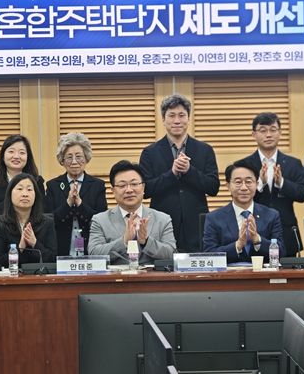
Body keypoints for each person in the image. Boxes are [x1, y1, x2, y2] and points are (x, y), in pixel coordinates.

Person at [139, 94, 220, 252]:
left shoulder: (205, 149)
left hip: (196, 223)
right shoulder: (150, 152)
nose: (177, 120)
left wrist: (189, 171)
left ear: (188, 119)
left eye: (182, 115)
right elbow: (145, 190)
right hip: (162, 222)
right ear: (163, 119)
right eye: (171, 115)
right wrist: (172, 173)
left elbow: (213, 187)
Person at [243, 112, 304, 256]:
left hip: (286, 232)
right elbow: (239, 197)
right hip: (255, 230)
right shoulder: (245, 165)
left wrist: (282, 183)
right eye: (263, 130)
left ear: (280, 133)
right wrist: (260, 184)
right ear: (254, 134)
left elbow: (303, 194)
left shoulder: (293, 163)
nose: (268, 135)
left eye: (273, 130)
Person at [88, 160, 176, 265]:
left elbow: (171, 254)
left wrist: (146, 241)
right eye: (122, 185)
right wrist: (124, 241)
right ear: (113, 191)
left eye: (134, 184)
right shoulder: (100, 220)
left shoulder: (163, 219)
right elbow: (93, 254)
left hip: (152, 275)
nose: (129, 190)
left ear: (143, 187)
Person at [203, 158, 284, 263]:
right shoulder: (214, 218)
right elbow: (209, 255)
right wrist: (238, 245)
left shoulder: (271, 215)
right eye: (238, 182)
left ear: (256, 184)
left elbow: (281, 252)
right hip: (229, 272)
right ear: (228, 186)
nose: (244, 187)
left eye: (249, 182)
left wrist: (258, 240)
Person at [44, 133, 107, 256]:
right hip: (60, 250)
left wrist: (79, 203)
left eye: (79, 156)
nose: (74, 161)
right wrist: (68, 203)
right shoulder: (53, 185)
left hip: (90, 249)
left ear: (86, 158)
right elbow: (49, 221)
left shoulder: (97, 185)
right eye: (69, 157)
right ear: (62, 160)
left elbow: (101, 220)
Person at [0, 173, 57, 266]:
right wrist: (19, 248)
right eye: (20, 189)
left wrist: (35, 243)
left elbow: (53, 259)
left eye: (29, 189)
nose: (25, 194)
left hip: (37, 274)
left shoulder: (47, 223)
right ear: (10, 193)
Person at [0, 134, 46, 214]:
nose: (16, 156)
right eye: (11, 151)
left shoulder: (37, 181)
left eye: (22, 153)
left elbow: (42, 211)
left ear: (28, 157)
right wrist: (12, 200)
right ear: (2, 156)